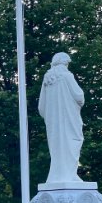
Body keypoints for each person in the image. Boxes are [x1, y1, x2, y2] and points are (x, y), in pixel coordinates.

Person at [38, 52, 85, 184]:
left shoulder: (47, 79)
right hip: (69, 119)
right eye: (67, 63)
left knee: (57, 148)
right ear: (64, 63)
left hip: (53, 123)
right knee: (72, 143)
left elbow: (41, 107)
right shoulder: (66, 76)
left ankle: (59, 175)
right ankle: (69, 175)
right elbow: (79, 97)